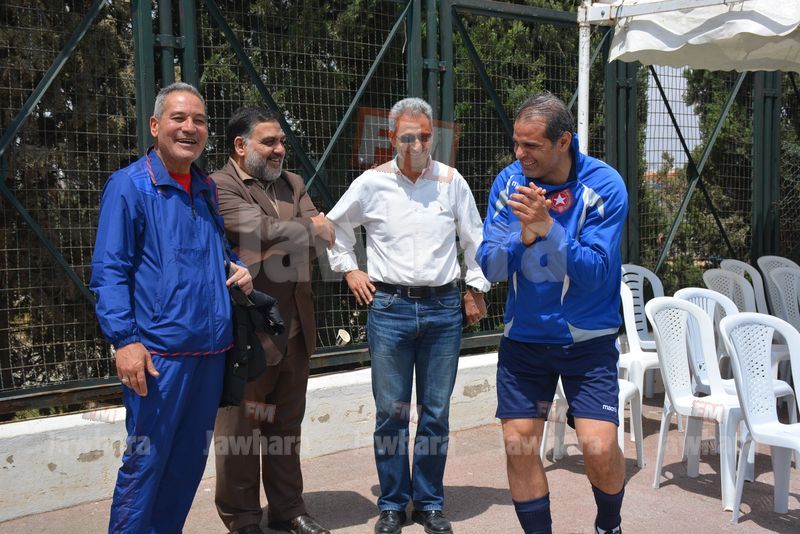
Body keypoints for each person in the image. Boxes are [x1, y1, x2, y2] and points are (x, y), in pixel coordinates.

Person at [91, 82, 253, 533]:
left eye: (199, 120)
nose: (189, 128)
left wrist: (237, 267)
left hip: (210, 354)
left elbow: (212, 251)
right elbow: (109, 270)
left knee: (185, 469)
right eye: (179, 118)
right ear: (155, 125)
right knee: (145, 466)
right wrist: (125, 341)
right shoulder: (130, 186)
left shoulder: (204, 187)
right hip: (158, 359)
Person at [326, 97, 490, 534]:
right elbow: (334, 226)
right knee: (391, 413)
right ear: (391, 137)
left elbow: (475, 239)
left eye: (424, 136)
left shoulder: (451, 182)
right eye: (407, 137)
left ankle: (430, 502)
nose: (416, 145)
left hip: (443, 310)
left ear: (433, 137)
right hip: (390, 310)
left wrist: (476, 288)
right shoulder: (371, 183)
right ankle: (393, 504)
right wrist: (350, 269)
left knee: (435, 412)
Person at [477, 92, 628, 534]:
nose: (519, 154)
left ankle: (609, 526)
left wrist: (549, 229)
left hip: (588, 343)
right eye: (516, 143)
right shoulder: (509, 184)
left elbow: (597, 273)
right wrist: (521, 239)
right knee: (519, 445)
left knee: (598, 448)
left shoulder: (604, 185)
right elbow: (490, 267)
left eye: (531, 146)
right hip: (525, 342)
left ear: (563, 141)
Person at [210, 107, 334, 534]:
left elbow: (325, 238)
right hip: (248, 332)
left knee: (285, 428)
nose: (280, 149)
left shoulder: (292, 182)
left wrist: (276, 240)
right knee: (241, 432)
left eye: (281, 140)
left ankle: (288, 509)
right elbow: (256, 232)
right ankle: (243, 518)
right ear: (240, 146)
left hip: (295, 329)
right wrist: (304, 229)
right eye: (269, 142)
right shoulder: (221, 185)